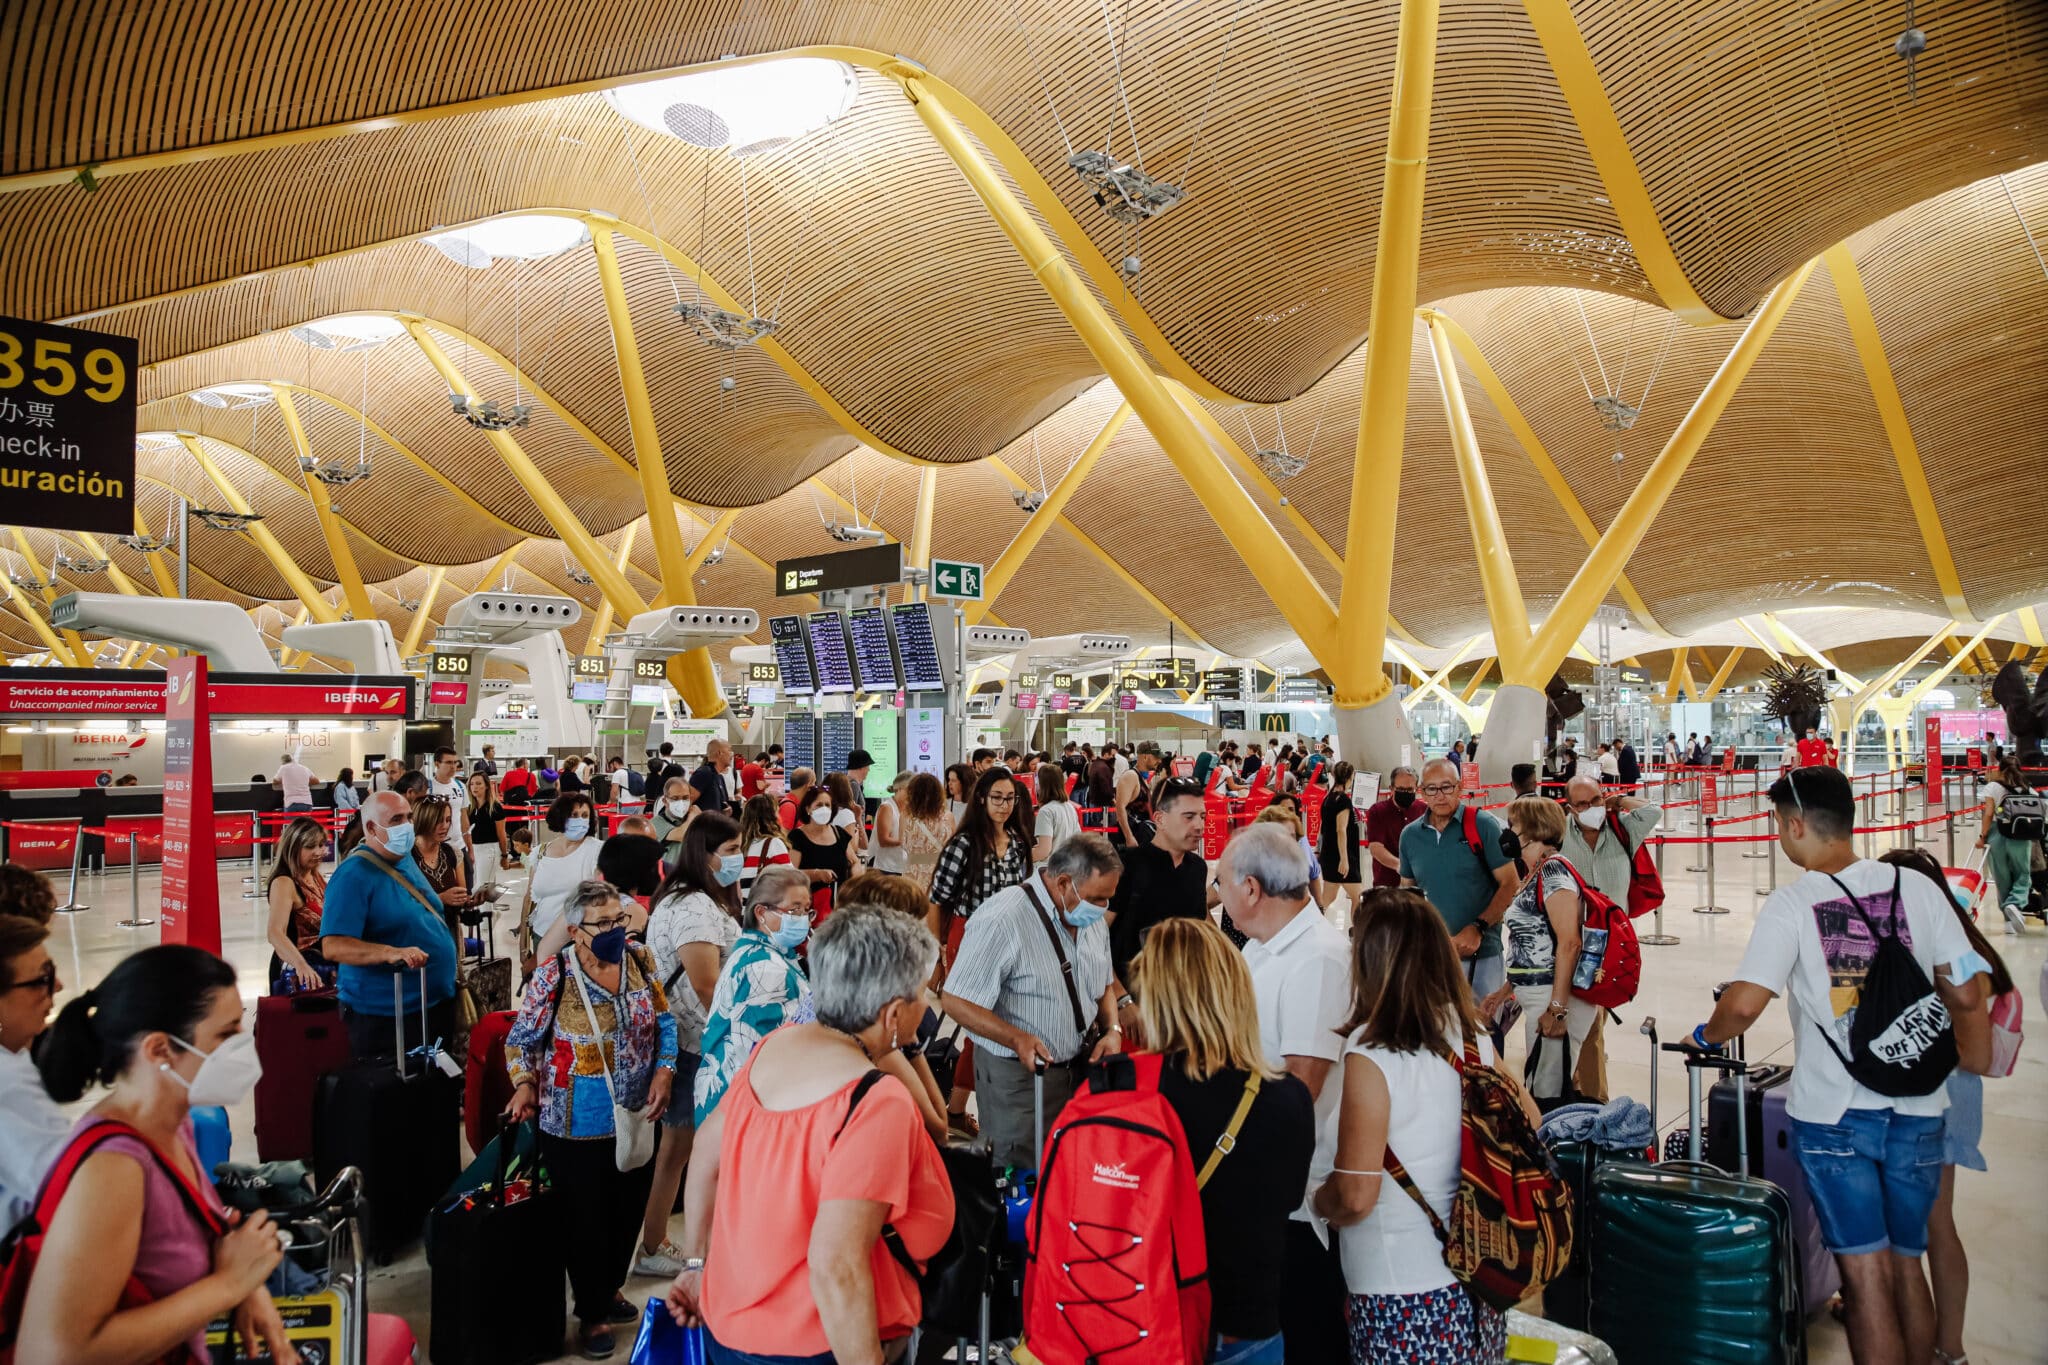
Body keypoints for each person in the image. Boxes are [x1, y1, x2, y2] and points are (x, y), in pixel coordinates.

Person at [1688, 766, 1991, 1365]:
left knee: (1865, 1274)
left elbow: (1745, 1004)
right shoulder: (1918, 888)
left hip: (1836, 1116)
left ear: (1797, 825)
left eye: (1780, 825)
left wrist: (1706, 1032)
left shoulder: (1794, 903)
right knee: (1908, 1261)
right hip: (1920, 1110)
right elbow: (1968, 993)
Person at [664, 906, 952, 1363]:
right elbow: (836, 1265)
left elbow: (705, 1158)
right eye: (922, 994)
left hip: (731, 1322)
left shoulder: (772, 1047)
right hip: (821, 1340)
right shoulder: (876, 1101)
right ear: (894, 1012)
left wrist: (697, 1265)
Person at [23, 946, 295, 1365]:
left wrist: (246, 1284)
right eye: (225, 1034)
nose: (243, 1044)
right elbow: (52, 1354)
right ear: (160, 1050)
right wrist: (228, 1285)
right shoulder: (114, 1169)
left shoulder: (173, 1122)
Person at [1314, 888, 1525, 1365]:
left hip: (1402, 1291)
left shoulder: (1374, 1058)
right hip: (1477, 1282)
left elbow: (1355, 1196)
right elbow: (1528, 1122)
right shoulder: (1472, 1038)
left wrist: (1314, 1199)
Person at [505, 880, 677, 1360]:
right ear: (577, 931)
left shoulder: (640, 961)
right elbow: (521, 1040)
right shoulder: (554, 976)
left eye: (620, 919)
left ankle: (610, 1286)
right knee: (585, 1220)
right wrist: (523, 1083)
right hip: (572, 1123)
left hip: (640, 1114)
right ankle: (592, 1312)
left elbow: (663, 1020)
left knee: (627, 1211)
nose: (615, 930)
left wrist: (664, 1071)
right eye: (603, 923)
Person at [1131, 918, 1314, 1365]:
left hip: (1142, 1322)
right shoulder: (1286, 1099)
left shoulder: (1118, 1093)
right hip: (1244, 1322)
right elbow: (1289, 1199)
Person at [1224, 822, 1353, 1360]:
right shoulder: (1266, 948)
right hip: (1262, 1185)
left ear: (1251, 889)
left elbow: (1302, 1085)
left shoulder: (1318, 958)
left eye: (1222, 884)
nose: (1220, 896)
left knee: (1304, 1336)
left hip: (1296, 1200)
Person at [1880, 848, 2013, 1365]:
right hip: (1958, 1097)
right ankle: (1949, 1346)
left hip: (1924, 1097)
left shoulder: (1917, 947)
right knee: (1939, 1222)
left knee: (1907, 1227)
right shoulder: (1964, 941)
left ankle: (1914, 1336)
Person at [940, 834, 1127, 1169]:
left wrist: (1112, 1028)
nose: (1102, 909)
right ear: (1064, 883)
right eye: (1097, 899)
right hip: (1021, 1085)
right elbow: (956, 1001)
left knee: (1069, 1169)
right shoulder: (1003, 918)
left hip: (1079, 1072)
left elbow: (1104, 984)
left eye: (1107, 900)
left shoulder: (1091, 918)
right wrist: (1016, 1038)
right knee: (1020, 1176)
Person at [636, 813, 745, 1279]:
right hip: (692, 1044)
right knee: (680, 1149)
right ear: (706, 853)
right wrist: (737, 1037)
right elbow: (705, 984)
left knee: (683, 1149)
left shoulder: (695, 899)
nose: (739, 859)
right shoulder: (694, 908)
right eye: (733, 849)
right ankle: (654, 1243)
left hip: (692, 1041)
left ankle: (659, 1239)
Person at [319, 790, 458, 1058]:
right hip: (386, 1016)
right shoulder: (352, 875)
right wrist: (390, 952)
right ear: (371, 827)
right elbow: (333, 946)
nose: (406, 826)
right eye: (396, 820)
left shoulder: (404, 859)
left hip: (432, 1004)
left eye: (409, 817)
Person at [1556, 774, 1661, 1100]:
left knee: (1591, 1023)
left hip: (1611, 943)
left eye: (1596, 800)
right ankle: (1587, 1095)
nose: (1592, 809)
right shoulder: (1560, 836)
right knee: (1587, 1024)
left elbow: (1653, 811)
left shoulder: (1622, 829)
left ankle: (1586, 1093)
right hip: (1571, 940)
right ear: (1570, 808)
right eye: (1583, 804)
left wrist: (1618, 801)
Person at [1490, 795, 1597, 1105]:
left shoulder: (1553, 872)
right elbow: (1534, 943)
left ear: (1534, 829)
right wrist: (1506, 989)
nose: (1508, 832)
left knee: (1545, 1095)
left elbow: (1569, 942)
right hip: (1538, 992)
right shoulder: (1535, 872)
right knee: (1539, 1083)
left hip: (1554, 996)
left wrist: (1557, 1009)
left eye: (1514, 825)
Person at [694, 866, 816, 1126]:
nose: (803, 919)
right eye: (794, 910)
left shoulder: (758, 950)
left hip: (732, 1102)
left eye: (807, 910)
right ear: (761, 912)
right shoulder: (766, 969)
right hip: (744, 1107)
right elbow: (764, 1051)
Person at [1400, 757, 1517, 1016]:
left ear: (1460, 787)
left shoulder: (1482, 825)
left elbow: (1510, 883)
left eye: (1447, 787)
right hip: (1432, 956)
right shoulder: (1410, 836)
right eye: (1431, 789)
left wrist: (1479, 928)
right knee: (1435, 1034)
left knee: (1484, 1035)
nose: (1440, 796)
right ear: (1422, 792)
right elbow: (1408, 893)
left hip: (1481, 955)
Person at [0, 873, 68, 1233]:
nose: (58, 985)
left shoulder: (15, 1054)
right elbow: (67, 1186)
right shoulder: (9, 1080)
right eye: (41, 975)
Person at [1107, 775, 1210, 981]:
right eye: (1189, 817)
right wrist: (1120, 999)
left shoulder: (1198, 868)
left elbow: (1202, 925)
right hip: (1133, 993)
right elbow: (1095, 937)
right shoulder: (1128, 865)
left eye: (1203, 816)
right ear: (1160, 819)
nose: (1199, 825)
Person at [928, 766, 1034, 966]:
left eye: (1010, 798)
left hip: (1008, 935)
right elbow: (936, 899)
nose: (1004, 805)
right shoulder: (963, 844)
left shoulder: (1016, 842)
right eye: (997, 797)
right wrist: (935, 951)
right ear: (981, 798)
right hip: (969, 933)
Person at [518, 791, 606, 979]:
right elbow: (530, 896)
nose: (580, 820)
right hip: (540, 934)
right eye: (574, 815)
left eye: (585, 815)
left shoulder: (597, 851)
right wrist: (523, 944)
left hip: (578, 940)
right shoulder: (541, 852)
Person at [263, 815, 331, 989]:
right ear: (293, 848)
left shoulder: (314, 875)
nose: (318, 852)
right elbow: (275, 932)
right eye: (310, 846)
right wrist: (301, 965)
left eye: (321, 845)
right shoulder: (284, 883)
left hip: (322, 964)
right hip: (299, 972)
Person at [1975, 754, 2034, 935]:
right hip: (2021, 836)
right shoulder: (2027, 788)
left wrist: (1982, 836)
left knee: (2002, 877)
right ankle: (2014, 903)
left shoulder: (1993, 787)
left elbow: (1989, 813)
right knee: (2022, 874)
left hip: (1997, 833)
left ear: (1999, 769)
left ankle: (2009, 921)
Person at [790, 782, 855, 921]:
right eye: (819, 805)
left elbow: (854, 861)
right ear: (808, 808)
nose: (824, 809)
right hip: (808, 909)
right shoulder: (797, 837)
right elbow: (791, 873)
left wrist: (857, 880)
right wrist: (816, 874)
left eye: (828, 805)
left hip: (840, 908)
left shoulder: (839, 834)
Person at [1362, 764, 1426, 894]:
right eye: (1401, 789)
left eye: (1410, 789)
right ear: (1391, 789)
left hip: (1419, 883)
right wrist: (1401, 866)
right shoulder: (1377, 811)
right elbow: (1376, 848)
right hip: (1387, 884)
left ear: (1417, 789)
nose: (1406, 793)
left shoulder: (1424, 810)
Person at [896, 771, 953, 894]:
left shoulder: (905, 817)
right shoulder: (948, 817)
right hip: (940, 872)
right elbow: (952, 846)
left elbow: (902, 843)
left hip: (912, 873)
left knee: (913, 908)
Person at [735, 794, 793, 901]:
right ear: (772, 817)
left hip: (742, 911)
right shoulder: (774, 844)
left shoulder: (740, 846)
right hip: (763, 911)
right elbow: (790, 881)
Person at [426, 745, 469, 874]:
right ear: (437, 764)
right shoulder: (428, 788)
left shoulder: (460, 786)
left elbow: (464, 817)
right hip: (437, 847)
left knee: (467, 887)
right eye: (449, 762)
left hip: (459, 845)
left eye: (455, 762)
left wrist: (469, 847)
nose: (453, 766)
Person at [466, 771, 507, 891]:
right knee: (475, 887)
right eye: (472, 784)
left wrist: (504, 855)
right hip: (473, 849)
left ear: (487, 786)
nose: (475, 787)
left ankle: (486, 910)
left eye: (478, 783)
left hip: (489, 849)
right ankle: (483, 910)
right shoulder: (470, 808)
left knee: (483, 888)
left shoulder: (495, 808)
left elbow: (501, 834)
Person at [1031, 761, 1080, 861]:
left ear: (1042, 784)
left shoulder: (1045, 812)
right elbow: (1078, 840)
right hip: (1068, 864)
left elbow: (1044, 851)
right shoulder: (1069, 807)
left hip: (1048, 869)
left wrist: (1025, 857)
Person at [868, 771, 913, 875]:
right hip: (886, 868)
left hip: (903, 867)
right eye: (910, 790)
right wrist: (906, 842)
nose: (913, 794)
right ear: (900, 788)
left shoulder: (909, 809)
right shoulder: (887, 807)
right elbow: (883, 840)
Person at [652, 775, 698, 870]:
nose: (681, 802)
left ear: (691, 799)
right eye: (675, 798)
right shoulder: (656, 823)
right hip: (669, 879)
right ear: (665, 801)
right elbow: (682, 834)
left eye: (685, 798)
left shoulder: (690, 819)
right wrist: (694, 815)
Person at [825, 772, 869, 863]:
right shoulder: (846, 814)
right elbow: (857, 847)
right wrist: (858, 818)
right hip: (840, 865)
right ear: (846, 790)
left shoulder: (820, 812)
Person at [691, 740, 736, 819]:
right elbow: (688, 802)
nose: (732, 755)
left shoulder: (719, 777)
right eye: (729, 750)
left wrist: (723, 813)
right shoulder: (704, 773)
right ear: (719, 753)